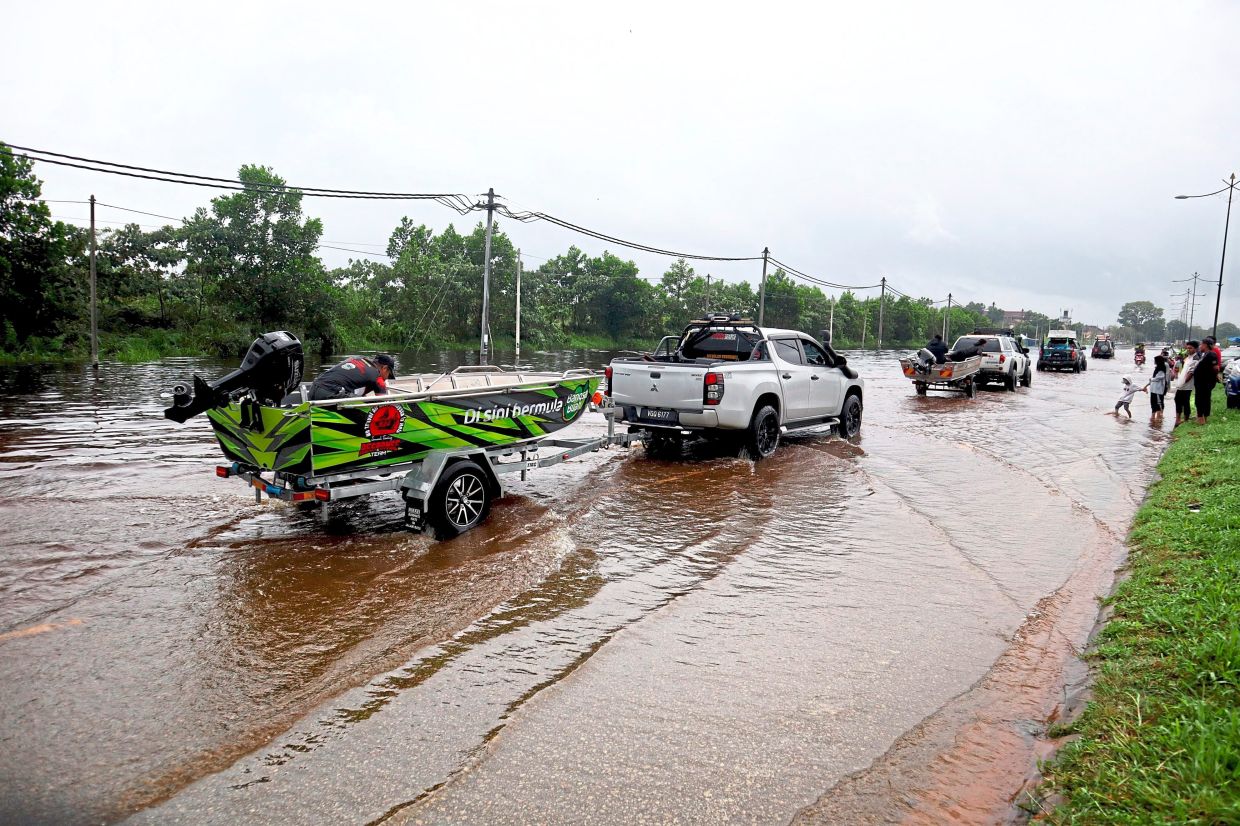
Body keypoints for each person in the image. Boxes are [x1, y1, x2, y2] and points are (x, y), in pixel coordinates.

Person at [308, 354, 396, 401]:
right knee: (367, 405)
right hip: (330, 393)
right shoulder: (377, 377)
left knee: (360, 398)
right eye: (389, 374)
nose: (387, 379)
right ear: (385, 368)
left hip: (313, 389)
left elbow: (353, 382)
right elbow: (383, 404)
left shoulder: (358, 358)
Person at [1172, 341, 1202, 426]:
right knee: (1177, 399)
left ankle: (1185, 419)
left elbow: (1191, 372)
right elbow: (1182, 369)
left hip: (1187, 384)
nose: (1188, 349)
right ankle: (1178, 419)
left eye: (1190, 348)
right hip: (1182, 382)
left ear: (1195, 349)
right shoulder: (1188, 357)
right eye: (1187, 348)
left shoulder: (1195, 359)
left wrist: (1184, 382)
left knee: (1185, 401)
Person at [1193, 339, 1220, 424]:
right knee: (1200, 399)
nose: (1200, 346)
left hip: (1205, 382)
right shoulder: (1204, 354)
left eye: (1201, 344)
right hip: (1200, 382)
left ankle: (1202, 418)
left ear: (1205, 345)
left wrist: (1214, 376)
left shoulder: (1211, 354)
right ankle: (1201, 416)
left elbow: (1216, 368)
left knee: (1203, 399)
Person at [1142, 355, 1168, 425]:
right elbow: (1154, 379)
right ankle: (1153, 417)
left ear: (1158, 361)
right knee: (1153, 403)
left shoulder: (1161, 368)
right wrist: (1146, 385)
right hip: (1154, 389)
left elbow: (1160, 377)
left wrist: (1151, 379)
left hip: (1158, 390)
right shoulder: (1157, 368)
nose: (1154, 361)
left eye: (1155, 360)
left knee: (1158, 403)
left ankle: (1158, 418)